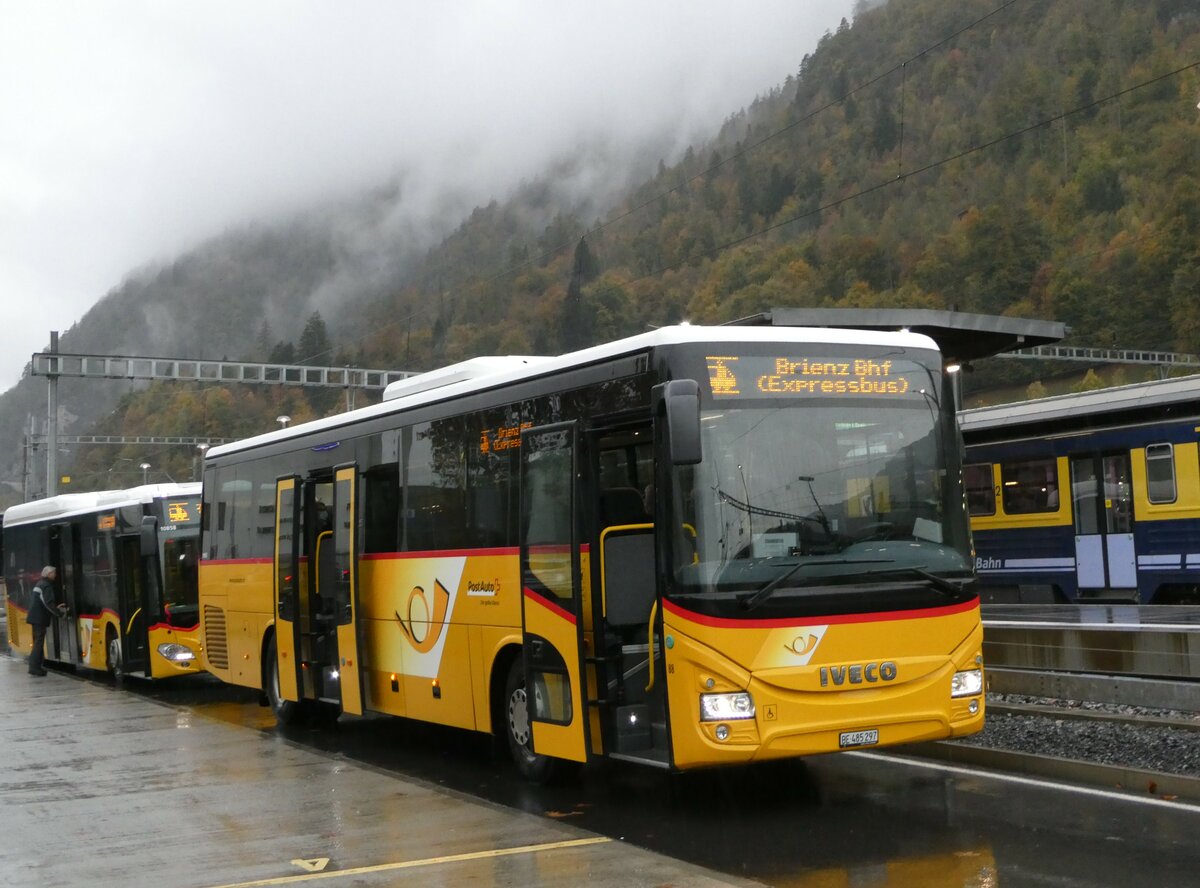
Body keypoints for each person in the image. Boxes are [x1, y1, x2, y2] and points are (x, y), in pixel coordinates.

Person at [26, 565, 65, 676]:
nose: (55, 575)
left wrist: (56, 608)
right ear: (49, 574)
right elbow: (47, 603)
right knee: (38, 643)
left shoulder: (40, 583)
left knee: (37, 642)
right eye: (54, 573)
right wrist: (59, 613)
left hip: (35, 617)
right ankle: (34, 667)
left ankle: (37, 667)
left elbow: (43, 602)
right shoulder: (46, 585)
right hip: (39, 618)